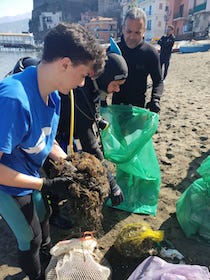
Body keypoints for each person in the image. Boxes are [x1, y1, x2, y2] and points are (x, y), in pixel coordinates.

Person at [0, 22, 105, 280]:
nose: (82, 83)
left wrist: (71, 168)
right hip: (8, 185)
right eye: (82, 75)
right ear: (65, 64)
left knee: (44, 216)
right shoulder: (14, 100)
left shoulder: (55, 95)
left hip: (28, 173)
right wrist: (45, 185)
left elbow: (47, 142)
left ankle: (47, 261)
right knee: (31, 238)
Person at [56, 51, 128, 207]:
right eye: (115, 85)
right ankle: (53, 212)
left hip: (65, 131)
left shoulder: (92, 87)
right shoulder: (80, 95)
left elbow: (92, 118)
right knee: (55, 170)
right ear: (104, 78)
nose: (117, 90)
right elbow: (91, 146)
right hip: (52, 137)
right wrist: (112, 184)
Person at [112, 7, 163, 114]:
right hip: (116, 106)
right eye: (129, 31)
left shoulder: (150, 53)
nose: (132, 37)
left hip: (138, 107)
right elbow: (101, 78)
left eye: (137, 33)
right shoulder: (113, 50)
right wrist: (102, 99)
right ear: (123, 29)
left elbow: (158, 80)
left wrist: (155, 99)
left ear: (144, 31)